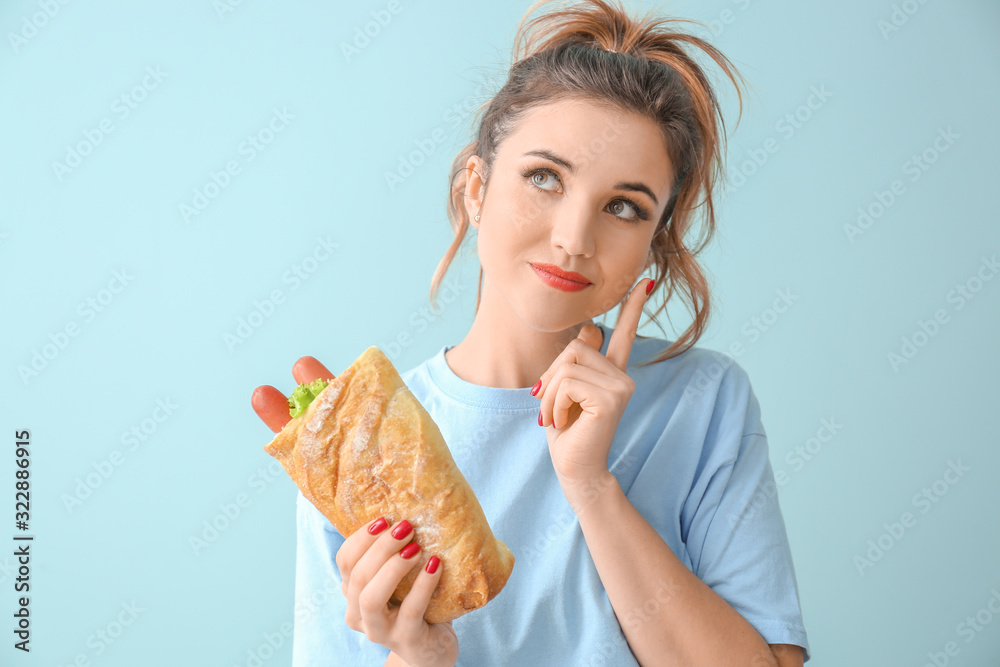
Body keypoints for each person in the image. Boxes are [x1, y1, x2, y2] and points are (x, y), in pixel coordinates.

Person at [252, 0, 811, 664]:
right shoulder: (353, 445)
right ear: (477, 188)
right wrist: (417, 659)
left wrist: (591, 484)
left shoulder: (705, 400)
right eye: (545, 177)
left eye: (624, 207)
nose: (574, 238)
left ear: (653, 244)